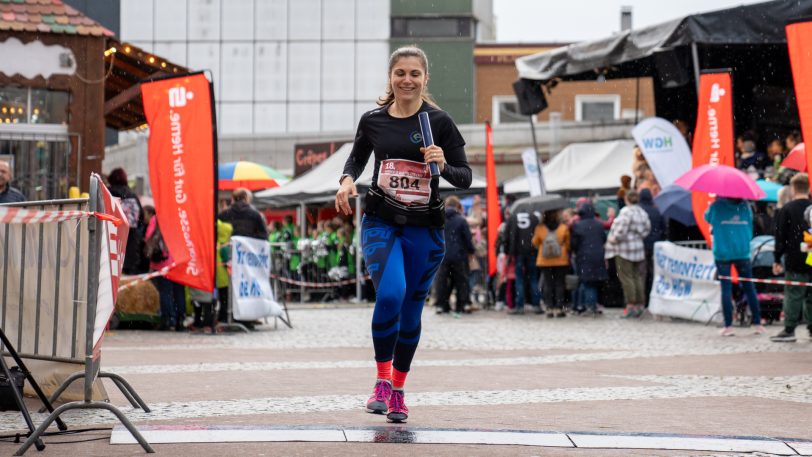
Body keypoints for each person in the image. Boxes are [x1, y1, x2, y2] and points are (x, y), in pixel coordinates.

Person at [335, 45, 471, 423]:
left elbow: (465, 176)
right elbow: (356, 159)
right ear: (390, 78)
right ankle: (380, 381)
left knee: (411, 312)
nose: (407, 80)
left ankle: (397, 389)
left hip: (425, 229)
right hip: (381, 221)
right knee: (391, 293)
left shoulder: (439, 122)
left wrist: (443, 164)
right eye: (400, 73)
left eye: (414, 73)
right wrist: (346, 182)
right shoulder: (373, 120)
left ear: (425, 79)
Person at [705, 197, 764, 337]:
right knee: (749, 288)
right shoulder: (745, 206)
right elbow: (750, 223)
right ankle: (757, 323)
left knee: (726, 289)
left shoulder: (717, 205)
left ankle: (729, 325)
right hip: (742, 250)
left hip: (723, 252)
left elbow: (707, 217)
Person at [771, 173, 812, 342]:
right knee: (811, 294)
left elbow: (780, 236)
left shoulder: (787, 209)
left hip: (795, 258)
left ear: (793, 189)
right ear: (809, 188)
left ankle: (789, 329)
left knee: (793, 294)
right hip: (811, 257)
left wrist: (776, 258)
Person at [605, 190, 651, 318]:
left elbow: (620, 230)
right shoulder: (642, 212)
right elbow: (647, 229)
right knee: (637, 277)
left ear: (627, 199)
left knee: (626, 277)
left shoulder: (626, 212)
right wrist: (638, 237)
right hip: (638, 248)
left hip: (624, 249)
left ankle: (631, 305)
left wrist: (613, 239)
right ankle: (640, 304)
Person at [434, 196, 475, 315]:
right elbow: (468, 239)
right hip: (459, 255)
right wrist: (471, 251)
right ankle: (463, 305)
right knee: (461, 280)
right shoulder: (461, 220)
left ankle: (441, 305)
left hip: (443, 255)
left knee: (442, 281)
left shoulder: (440, 219)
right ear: (458, 206)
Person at [108, 168, 148, 275]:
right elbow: (141, 219)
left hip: (110, 243)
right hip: (131, 245)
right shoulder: (133, 195)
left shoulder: (107, 194)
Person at [571, 202, 608, 315]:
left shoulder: (578, 225)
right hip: (598, 256)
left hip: (584, 257)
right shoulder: (599, 225)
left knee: (587, 282)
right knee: (594, 282)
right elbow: (604, 238)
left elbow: (574, 244)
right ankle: (592, 305)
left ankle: (589, 306)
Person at [532, 209, 570, 318]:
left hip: (544, 260)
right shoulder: (563, 227)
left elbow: (534, 243)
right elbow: (568, 244)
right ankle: (559, 307)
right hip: (561, 260)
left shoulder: (540, 228)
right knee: (559, 283)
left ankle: (549, 307)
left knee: (548, 284)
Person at [505, 203, 541, 315]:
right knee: (533, 278)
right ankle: (536, 305)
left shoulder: (512, 218)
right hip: (532, 251)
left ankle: (519, 306)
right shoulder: (534, 217)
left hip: (518, 252)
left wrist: (508, 253)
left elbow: (507, 236)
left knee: (519, 279)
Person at [638, 189, 664, 307]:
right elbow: (663, 227)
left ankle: (642, 301)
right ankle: (654, 300)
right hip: (655, 245)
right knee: (654, 273)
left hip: (641, 245)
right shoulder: (656, 211)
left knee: (641, 274)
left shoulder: (638, 211)